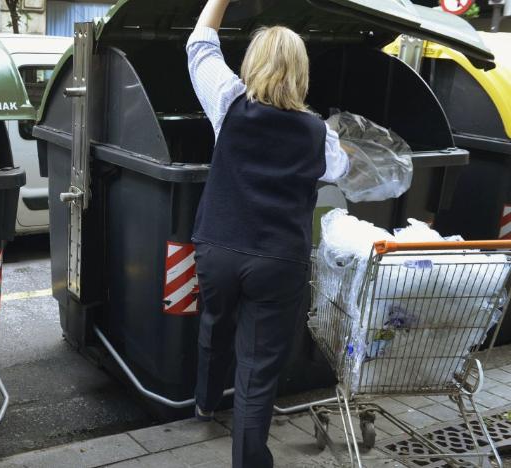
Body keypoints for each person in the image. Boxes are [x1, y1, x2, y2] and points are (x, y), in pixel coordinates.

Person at [186, 1, 350, 467]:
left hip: (218, 247)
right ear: (302, 73)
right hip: (279, 261)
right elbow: (341, 170)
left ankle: (204, 401)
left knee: (214, 325)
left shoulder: (228, 100)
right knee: (257, 373)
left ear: (252, 64)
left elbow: (199, 45)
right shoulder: (319, 133)